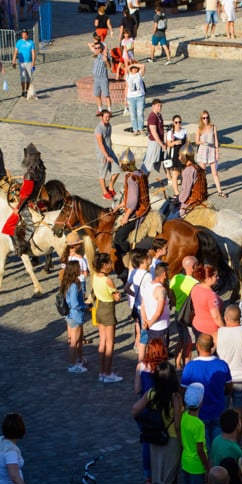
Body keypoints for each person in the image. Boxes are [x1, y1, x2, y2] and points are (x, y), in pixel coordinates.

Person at [181, 334, 231, 447]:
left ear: (197, 346)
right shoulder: (222, 365)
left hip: (199, 414)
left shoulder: (190, 367)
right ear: (212, 346)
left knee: (203, 447)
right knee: (217, 446)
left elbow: (183, 391)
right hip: (218, 410)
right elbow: (229, 388)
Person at [113, 150, 151, 260]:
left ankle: (128, 258)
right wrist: (119, 206)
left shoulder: (131, 178)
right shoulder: (140, 173)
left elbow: (133, 202)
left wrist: (126, 217)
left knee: (119, 238)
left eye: (122, 164)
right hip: (144, 208)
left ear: (127, 165)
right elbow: (131, 197)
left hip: (138, 212)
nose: (121, 166)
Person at [92, 252, 122, 383]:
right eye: (109, 263)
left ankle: (101, 371)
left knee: (102, 341)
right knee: (110, 343)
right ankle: (107, 372)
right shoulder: (108, 280)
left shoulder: (94, 276)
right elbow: (116, 298)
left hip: (99, 308)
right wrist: (118, 293)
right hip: (108, 309)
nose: (111, 265)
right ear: (104, 265)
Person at [195, 110, 226, 197]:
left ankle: (219, 191)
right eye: (204, 118)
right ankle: (202, 190)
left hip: (212, 150)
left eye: (207, 117)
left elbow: (216, 140)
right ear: (201, 119)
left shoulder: (213, 127)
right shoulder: (199, 128)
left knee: (215, 173)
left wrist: (217, 152)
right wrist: (202, 142)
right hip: (203, 150)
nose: (206, 119)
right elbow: (196, 141)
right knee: (203, 172)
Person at [94, 110, 121, 200]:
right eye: (106, 117)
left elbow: (109, 141)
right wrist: (106, 156)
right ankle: (105, 192)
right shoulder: (98, 129)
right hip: (102, 154)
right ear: (101, 117)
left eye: (108, 117)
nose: (107, 119)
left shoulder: (109, 126)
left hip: (110, 152)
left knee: (117, 169)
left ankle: (110, 186)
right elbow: (100, 144)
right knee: (102, 174)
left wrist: (112, 152)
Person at [177, 147, 208, 217]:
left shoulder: (188, 170)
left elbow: (185, 191)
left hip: (192, 203)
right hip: (203, 199)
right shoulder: (198, 167)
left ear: (186, 157)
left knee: (170, 220)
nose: (179, 158)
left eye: (180, 155)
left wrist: (178, 200)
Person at [143, 98, 166, 182]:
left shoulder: (159, 115)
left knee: (151, 163)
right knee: (148, 163)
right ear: (153, 106)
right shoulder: (152, 117)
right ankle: (142, 181)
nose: (160, 107)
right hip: (154, 142)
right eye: (158, 106)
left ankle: (144, 181)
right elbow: (153, 132)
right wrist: (161, 144)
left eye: (160, 105)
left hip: (158, 142)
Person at [88, 37, 112, 113]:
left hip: (103, 77)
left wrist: (106, 61)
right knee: (97, 94)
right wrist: (95, 44)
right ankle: (100, 109)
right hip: (96, 77)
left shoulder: (105, 55)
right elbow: (89, 45)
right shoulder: (96, 54)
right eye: (96, 48)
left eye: (99, 48)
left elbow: (109, 67)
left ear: (102, 48)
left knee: (106, 95)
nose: (97, 49)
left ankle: (109, 110)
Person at [13, 29, 36, 98]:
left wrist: (33, 62)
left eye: (25, 34)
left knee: (29, 77)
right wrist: (13, 61)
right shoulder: (19, 42)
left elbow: (33, 52)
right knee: (23, 77)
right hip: (21, 63)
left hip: (29, 62)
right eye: (22, 34)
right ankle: (23, 91)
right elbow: (15, 51)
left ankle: (28, 90)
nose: (23, 35)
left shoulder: (31, 42)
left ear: (27, 35)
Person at [124, 62, 146, 135]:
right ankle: (135, 129)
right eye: (133, 68)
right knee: (133, 114)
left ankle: (141, 128)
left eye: (136, 68)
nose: (134, 69)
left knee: (140, 113)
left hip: (140, 96)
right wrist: (125, 99)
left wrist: (134, 65)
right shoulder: (128, 76)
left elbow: (143, 66)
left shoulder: (139, 74)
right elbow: (126, 87)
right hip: (130, 97)